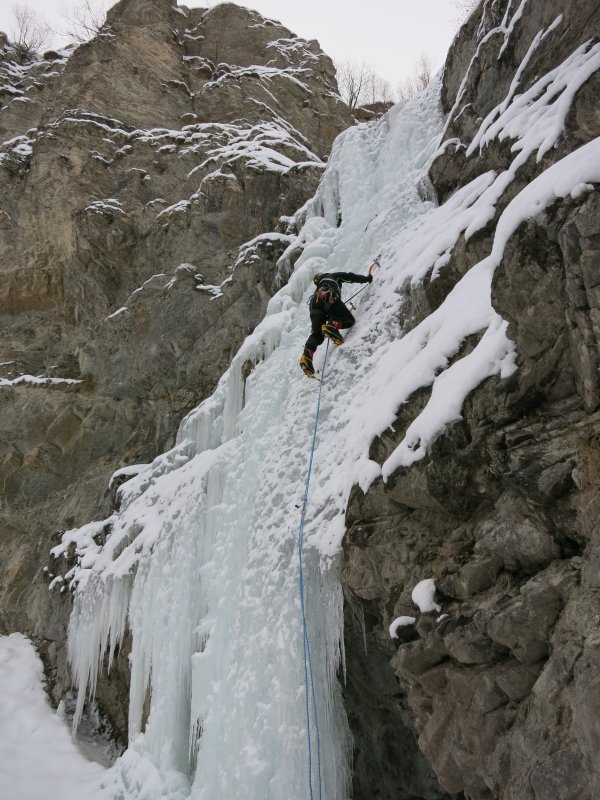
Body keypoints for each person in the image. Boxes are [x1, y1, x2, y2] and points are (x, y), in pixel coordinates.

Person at [299, 270, 373, 377]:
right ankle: (333, 325)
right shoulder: (333, 276)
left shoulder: (317, 289)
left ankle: (307, 356)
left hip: (313, 305)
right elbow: (350, 277)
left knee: (317, 334)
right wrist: (366, 279)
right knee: (349, 320)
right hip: (328, 295)